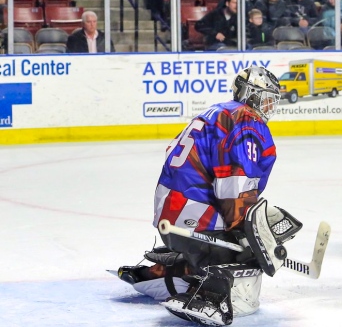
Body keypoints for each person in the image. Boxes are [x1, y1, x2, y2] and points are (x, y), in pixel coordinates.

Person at [115, 66, 304, 326]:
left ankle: (160, 273)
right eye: (266, 98)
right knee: (245, 255)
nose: (269, 106)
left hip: (174, 217)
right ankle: (209, 295)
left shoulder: (219, 111)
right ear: (251, 95)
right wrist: (246, 232)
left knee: (239, 242)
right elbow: (235, 186)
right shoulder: (246, 121)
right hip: (195, 219)